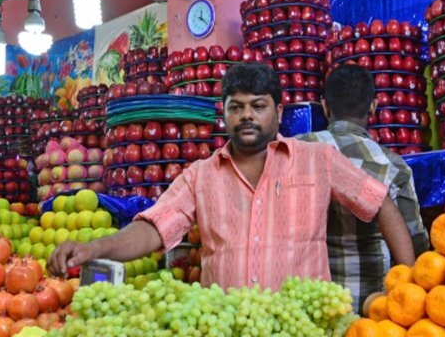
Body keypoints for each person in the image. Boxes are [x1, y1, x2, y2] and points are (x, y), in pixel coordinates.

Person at [48, 63, 416, 288]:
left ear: (278, 110)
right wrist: (92, 249)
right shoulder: (201, 176)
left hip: (303, 335)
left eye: (258, 106)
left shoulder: (317, 160)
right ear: (222, 113)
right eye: (236, 107)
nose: (247, 116)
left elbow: (378, 199)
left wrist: (408, 281)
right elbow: (153, 228)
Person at [300, 63, 430, 310]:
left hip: (311, 306)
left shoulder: (299, 150)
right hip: (373, 308)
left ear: (325, 106)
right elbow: (415, 242)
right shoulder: (394, 166)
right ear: (373, 106)